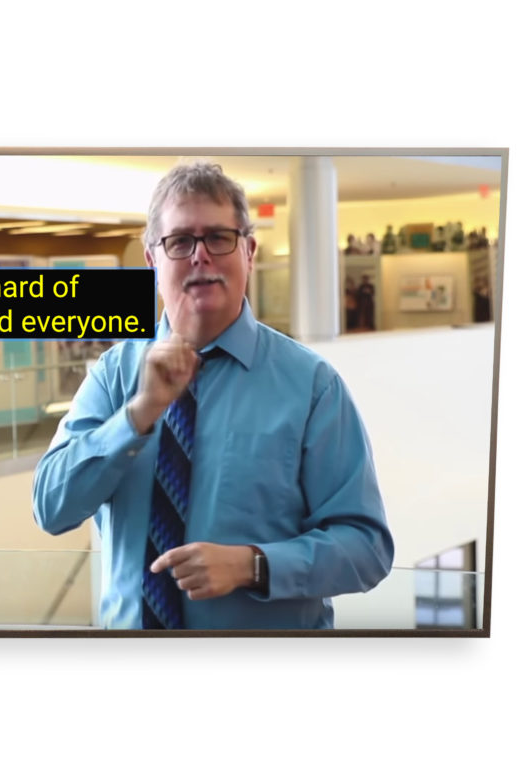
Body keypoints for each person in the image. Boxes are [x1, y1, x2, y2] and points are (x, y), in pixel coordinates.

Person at [32, 161, 393, 630]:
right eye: (180, 241)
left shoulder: (311, 386)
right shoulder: (113, 375)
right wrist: (138, 415)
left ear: (249, 251)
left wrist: (254, 564)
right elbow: (51, 509)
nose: (200, 256)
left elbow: (367, 547)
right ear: (151, 260)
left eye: (219, 238)